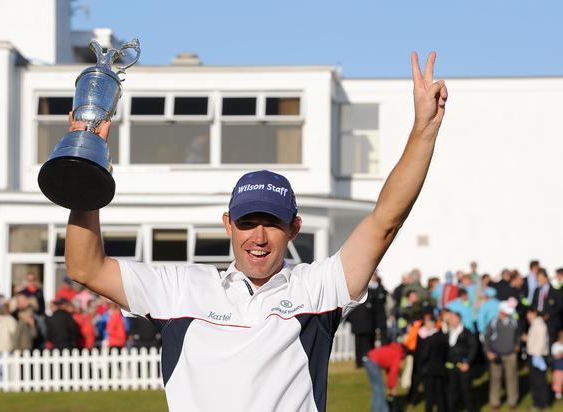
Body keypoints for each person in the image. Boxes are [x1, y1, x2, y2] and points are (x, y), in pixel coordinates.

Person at [64, 52, 448, 411]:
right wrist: (86, 158)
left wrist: (424, 130)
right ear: (228, 224)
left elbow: (385, 221)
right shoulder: (182, 288)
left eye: (272, 224)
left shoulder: (315, 288)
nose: (259, 237)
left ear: (294, 229)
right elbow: (86, 267)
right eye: (247, 223)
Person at [484, 300, 520, 409]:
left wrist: (517, 344)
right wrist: (488, 351)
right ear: (501, 311)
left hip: (510, 354)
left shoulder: (513, 321)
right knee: (496, 379)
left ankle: (512, 401)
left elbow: (517, 334)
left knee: (512, 378)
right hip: (496, 355)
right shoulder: (493, 322)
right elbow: (486, 338)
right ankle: (495, 402)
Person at [444, 310, 477, 412]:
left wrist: (468, 362)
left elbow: (473, 348)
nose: (450, 320)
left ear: (458, 319)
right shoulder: (448, 332)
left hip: (463, 366)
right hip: (450, 368)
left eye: (453, 318)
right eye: (450, 319)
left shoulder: (467, 332)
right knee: (451, 392)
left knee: (466, 391)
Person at [416, 311, 448, 412]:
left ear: (431, 324)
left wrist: (420, 364)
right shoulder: (443, 336)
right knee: (440, 394)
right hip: (441, 369)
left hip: (429, 370)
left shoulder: (430, 339)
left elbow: (424, 355)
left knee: (429, 395)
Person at [363, 341, 405, 412]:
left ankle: (376, 409)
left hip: (368, 360)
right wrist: (391, 387)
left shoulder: (392, 349)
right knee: (379, 389)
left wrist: (390, 386)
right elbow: (393, 372)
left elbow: (389, 370)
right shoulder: (397, 355)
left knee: (376, 389)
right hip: (373, 362)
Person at [525, 307, 550, 410]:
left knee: (540, 380)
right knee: (534, 380)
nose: (527, 316)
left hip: (538, 356)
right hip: (533, 355)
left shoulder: (540, 325)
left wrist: (537, 355)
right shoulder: (535, 324)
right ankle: (537, 402)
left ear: (535, 313)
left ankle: (544, 403)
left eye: (529, 314)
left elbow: (541, 342)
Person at [551, 330, 563, 401]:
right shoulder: (555, 345)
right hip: (558, 366)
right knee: (558, 380)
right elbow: (555, 355)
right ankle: (558, 394)